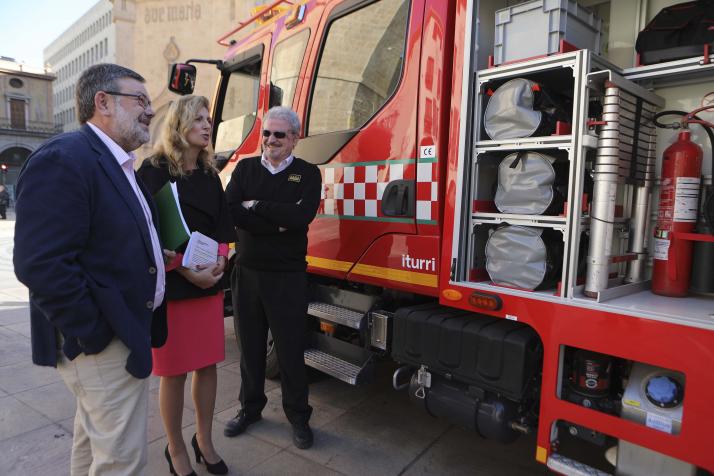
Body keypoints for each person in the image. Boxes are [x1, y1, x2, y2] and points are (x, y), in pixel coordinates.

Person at [13, 63, 167, 476]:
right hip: (103, 344)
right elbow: (40, 264)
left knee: (92, 447)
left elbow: (107, 240)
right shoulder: (65, 158)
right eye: (140, 100)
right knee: (122, 463)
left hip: (118, 333)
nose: (150, 111)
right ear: (103, 102)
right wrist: (93, 332)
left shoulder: (118, 163)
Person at [137, 95, 234, 476]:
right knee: (174, 371)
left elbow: (224, 226)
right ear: (179, 126)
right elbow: (147, 233)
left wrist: (223, 257)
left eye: (209, 119)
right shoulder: (155, 170)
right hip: (175, 286)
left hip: (208, 283)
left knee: (207, 366)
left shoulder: (210, 173)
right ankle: (175, 447)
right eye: (199, 119)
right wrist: (183, 269)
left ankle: (204, 441)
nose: (207, 125)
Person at [223, 106, 321, 449]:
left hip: (287, 277)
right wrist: (276, 222)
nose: (270, 140)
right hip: (247, 274)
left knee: (291, 351)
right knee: (250, 350)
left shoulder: (308, 174)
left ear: (294, 139)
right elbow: (231, 209)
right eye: (266, 133)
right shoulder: (246, 167)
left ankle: (298, 417)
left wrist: (256, 207)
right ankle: (250, 409)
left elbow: (301, 216)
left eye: (279, 134)